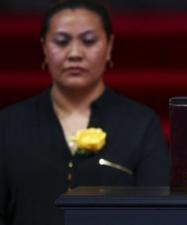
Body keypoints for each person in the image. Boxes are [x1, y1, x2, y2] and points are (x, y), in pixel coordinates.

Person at [0, 1, 170, 224]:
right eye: (61, 41)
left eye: (88, 41)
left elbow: (156, 213)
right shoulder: (10, 123)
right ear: (44, 47)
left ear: (109, 46)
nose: (74, 53)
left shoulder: (140, 123)